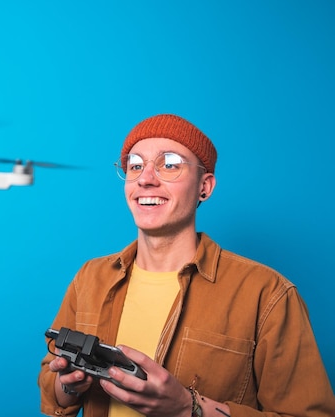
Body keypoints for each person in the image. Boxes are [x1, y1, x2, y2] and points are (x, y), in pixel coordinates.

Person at [38, 114, 335, 417]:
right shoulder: (90, 278)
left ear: (204, 187)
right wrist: (69, 384)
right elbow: (52, 388)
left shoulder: (268, 294)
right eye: (136, 165)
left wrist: (187, 408)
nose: (146, 178)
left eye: (169, 164)